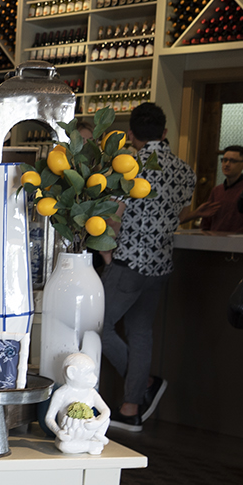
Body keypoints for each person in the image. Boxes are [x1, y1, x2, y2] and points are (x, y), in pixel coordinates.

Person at [100, 102, 197, 432]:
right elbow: (180, 214)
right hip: (161, 263)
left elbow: (114, 215)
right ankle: (130, 408)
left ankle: (143, 386)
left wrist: (108, 254)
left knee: (97, 326)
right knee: (140, 332)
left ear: (131, 134)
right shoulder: (184, 170)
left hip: (127, 261)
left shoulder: (128, 166)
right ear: (164, 132)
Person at [180, 144, 243, 232]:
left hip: (237, 237)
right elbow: (206, 220)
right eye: (224, 160)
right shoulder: (217, 190)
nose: (227, 164)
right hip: (214, 237)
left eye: (233, 161)